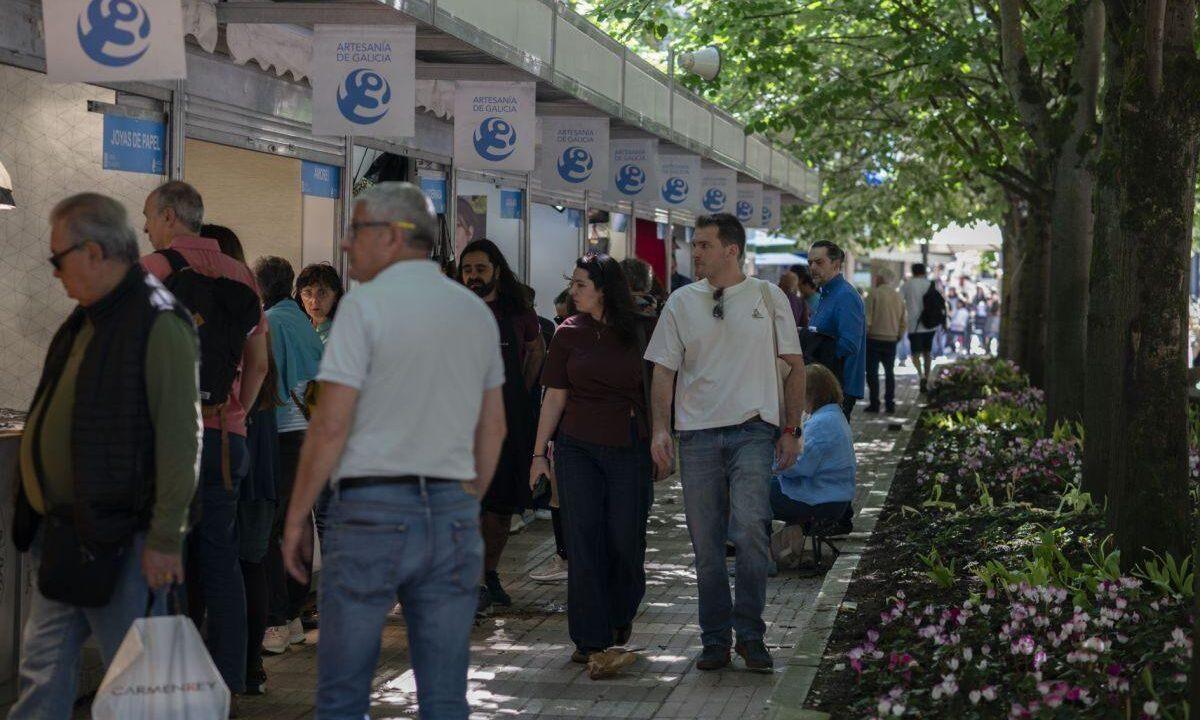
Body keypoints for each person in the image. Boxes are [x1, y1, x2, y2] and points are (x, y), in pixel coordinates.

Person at [281, 182, 506, 720]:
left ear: (392, 236)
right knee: (446, 695)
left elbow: (330, 424)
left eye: (355, 231)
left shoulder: (364, 309)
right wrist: (463, 497)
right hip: (450, 512)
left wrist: (295, 518)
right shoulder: (473, 312)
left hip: (371, 512)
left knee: (342, 693)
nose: (345, 244)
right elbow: (493, 428)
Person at [10, 193, 200, 718]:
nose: (54, 273)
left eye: (57, 258)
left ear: (93, 252)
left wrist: (165, 539)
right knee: (41, 674)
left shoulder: (159, 321)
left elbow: (182, 441)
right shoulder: (87, 318)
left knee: (141, 690)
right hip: (67, 535)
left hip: (127, 542)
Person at [645, 213, 806, 673]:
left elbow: (794, 366)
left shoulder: (767, 296)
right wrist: (661, 429)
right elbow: (663, 370)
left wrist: (791, 429)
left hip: (754, 430)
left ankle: (751, 635)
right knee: (705, 544)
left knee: (752, 531)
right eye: (694, 245)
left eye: (702, 245)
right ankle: (715, 639)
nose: (694, 253)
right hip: (696, 436)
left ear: (731, 250)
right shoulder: (680, 301)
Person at [141, 181, 268, 699]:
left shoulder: (153, 269)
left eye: (148, 216)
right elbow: (259, 363)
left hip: (166, 442)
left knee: (162, 561)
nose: (145, 225)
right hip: (225, 440)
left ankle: (167, 687)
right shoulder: (242, 276)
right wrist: (234, 412)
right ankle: (228, 683)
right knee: (222, 562)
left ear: (170, 216)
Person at [530, 254, 654, 664]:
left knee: (625, 540)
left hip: (627, 446)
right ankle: (589, 637)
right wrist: (538, 455)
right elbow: (554, 397)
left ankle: (619, 615)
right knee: (583, 540)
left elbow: (662, 388)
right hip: (576, 447)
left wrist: (663, 438)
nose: (574, 290)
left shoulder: (639, 330)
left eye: (581, 283)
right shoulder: (567, 332)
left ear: (604, 288)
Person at [202, 224, 278, 697]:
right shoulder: (252, 318)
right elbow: (265, 372)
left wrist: (231, 417)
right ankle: (247, 672)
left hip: (229, 449)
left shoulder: (221, 325)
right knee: (248, 564)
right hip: (255, 455)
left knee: (223, 567)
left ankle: (227, 676)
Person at [457, 239, 545, 616]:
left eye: (480, 269)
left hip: (509, 423)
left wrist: (520, 394)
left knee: (500, 510)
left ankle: (488, 574)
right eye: (467, 270)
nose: (473, 277)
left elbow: (537, 351)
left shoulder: (518, 311)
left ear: (496, 270)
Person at [255, 257, 325, 656]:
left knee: (270, 530)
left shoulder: (270, 323)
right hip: (310, 435)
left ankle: (276, 620)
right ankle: (295, 617)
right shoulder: (303, 324)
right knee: (299, 525)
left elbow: (263, 376)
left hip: (281, 434)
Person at [770, 364, 856, 536]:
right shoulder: (834, 415)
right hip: (834, 496)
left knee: (751, 492)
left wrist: (773, 463)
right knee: (758, 488)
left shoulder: (822, 423)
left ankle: (757, 548)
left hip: (821, 499)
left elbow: (799, 467)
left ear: (809, 394)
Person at [807, 241, 866, 419]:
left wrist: (814, 351)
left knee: (830, 443)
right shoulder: (828, 293)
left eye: (819, 262)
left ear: (836, 264)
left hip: (838, 387)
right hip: (824, 384)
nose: (813, 267)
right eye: (810, 263)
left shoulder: (845, 295)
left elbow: (849, 344)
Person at [864, 269, 906, 414]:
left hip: (874, 339)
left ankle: (874, 403)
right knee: (890, 373)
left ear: (880, 278)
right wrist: (898, 335)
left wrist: (865, 335)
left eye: (876, 276)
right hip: (891, 339)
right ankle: (890, 404)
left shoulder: (873, 294)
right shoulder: (898, 296)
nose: (875, 279)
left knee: (872, 373)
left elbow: (867, 319)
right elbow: (903, 320)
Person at [295, 263, 344, 343]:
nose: (314, 300)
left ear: (335, 296)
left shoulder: (341, 334)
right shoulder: (299, 331)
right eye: (308, 292)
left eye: (322, 293)